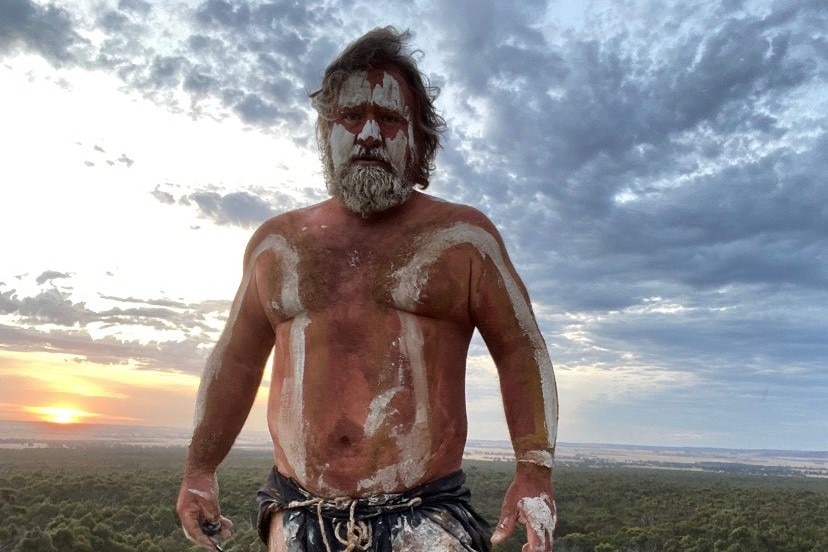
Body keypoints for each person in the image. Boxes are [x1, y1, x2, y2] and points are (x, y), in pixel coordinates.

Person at [176, 26, 559, 552]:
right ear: (326, 133)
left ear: (417, 138)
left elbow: (521, 349)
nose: (370, 134)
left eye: (390, 119)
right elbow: (237, 360)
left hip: (425, 523)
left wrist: (533, 472)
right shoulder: (276, 245)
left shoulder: (463, 239)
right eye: (351, 117)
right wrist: (199, 469)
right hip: (296, 518)